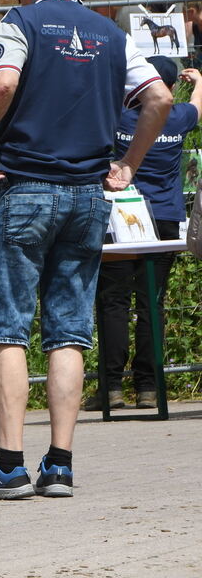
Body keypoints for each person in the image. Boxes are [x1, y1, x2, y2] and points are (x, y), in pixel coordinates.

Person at [0, 0, 171, 500]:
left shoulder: (21, 21)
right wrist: (128, 164)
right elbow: (161, 100)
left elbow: (1, 83)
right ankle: (60, 465)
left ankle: (6, 465)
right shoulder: (113, 34)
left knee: (7, 330)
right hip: (85, 196)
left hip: (24, 186)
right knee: (68, 333)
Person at [87, 59, 202, 411]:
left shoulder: (117, 117)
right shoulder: (177, 117)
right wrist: (198, 80)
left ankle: (111, 388)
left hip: (123, 216)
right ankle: (149, 386)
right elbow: (198, 105)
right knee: (152, 302)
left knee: (113, 300)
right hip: (166, 219)